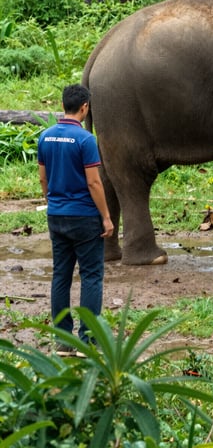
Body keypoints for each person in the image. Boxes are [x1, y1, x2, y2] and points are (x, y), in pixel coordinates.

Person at [37, 84, 114, 349]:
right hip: (84, 217)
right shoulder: (85, 140)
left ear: (62, 106)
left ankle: (63, 339)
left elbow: (43, 178)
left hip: (56, 215)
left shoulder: (45, 136)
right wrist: (106, 216)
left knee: (61, 275)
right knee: (91, 276)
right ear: (85, 108)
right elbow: (94, 183)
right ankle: (89, 339)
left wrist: (53, 202)